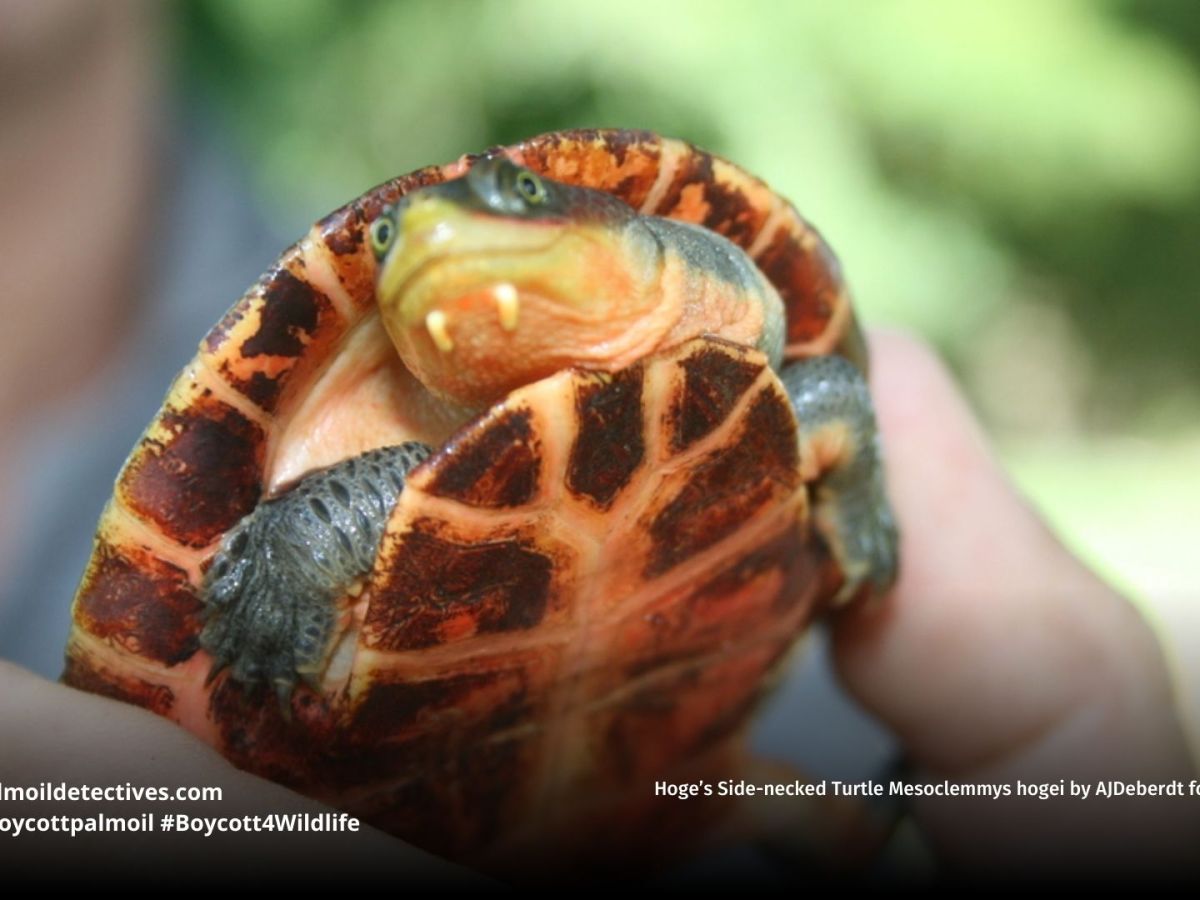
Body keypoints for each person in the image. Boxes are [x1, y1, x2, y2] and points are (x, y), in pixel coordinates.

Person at [1, 0, 1195, 885]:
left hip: (667, 775)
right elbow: (312, 526)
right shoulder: (330, 403)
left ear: (610, 227)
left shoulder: (846, 705)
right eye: (410, 236)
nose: (440, 236)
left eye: (500, 207)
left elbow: (826, 412)